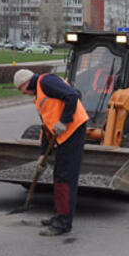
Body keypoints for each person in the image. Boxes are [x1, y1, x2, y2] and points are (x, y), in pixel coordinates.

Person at [13, 68, 89, 236]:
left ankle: (63, 222)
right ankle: (60, 214)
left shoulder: (46, 81)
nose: (23, 93)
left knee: (65, 177)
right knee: (59, 175)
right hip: (63, 133)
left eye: (21, 89)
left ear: (25, 83)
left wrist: (64, 121)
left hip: (73, 130)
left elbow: (72, 96)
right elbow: (47, 126)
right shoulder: (39, 95)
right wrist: (42, 154)